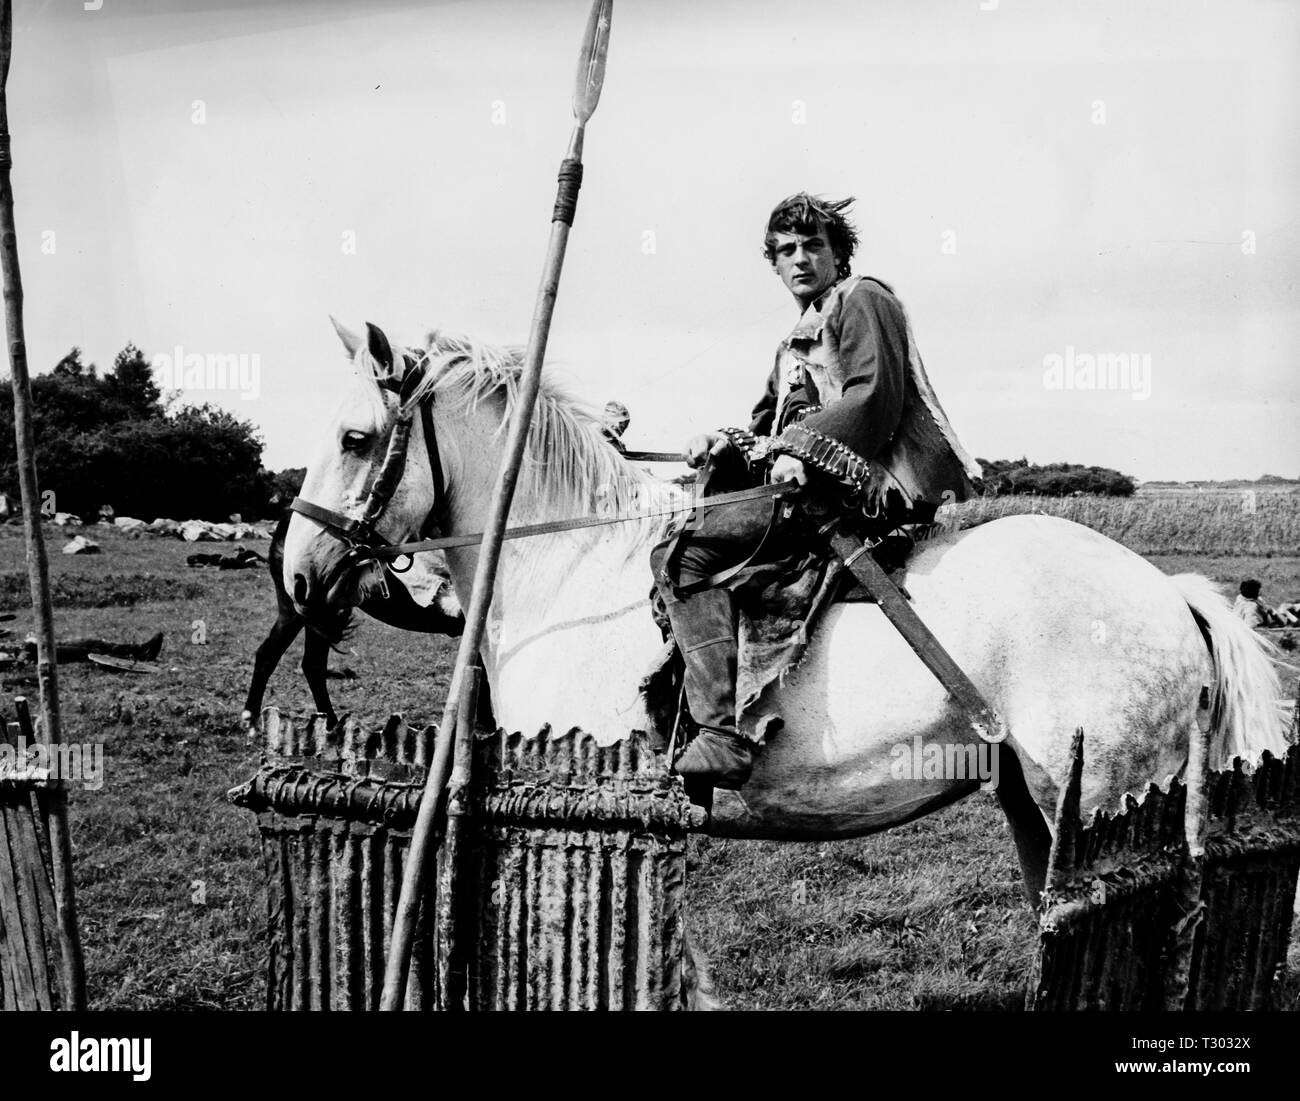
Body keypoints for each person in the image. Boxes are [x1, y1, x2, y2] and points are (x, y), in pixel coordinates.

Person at [650, 193, 981, 789]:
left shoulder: (863, 299)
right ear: (774, 264)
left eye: (811, 246)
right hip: (814, 485)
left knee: (684, 554)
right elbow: (766, 430)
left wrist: (802, 455)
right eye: (785, 251)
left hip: (869, 492)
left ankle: (721, 737)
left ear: (837, 252)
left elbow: (871, 394)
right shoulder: (797, 337)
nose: (799, 259)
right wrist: (723, 444)